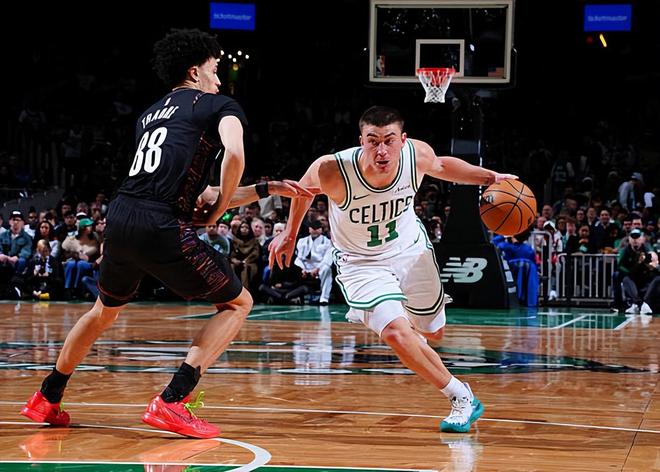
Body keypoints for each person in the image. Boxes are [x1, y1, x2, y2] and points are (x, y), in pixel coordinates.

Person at [20, 28, 313, 439]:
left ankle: (47, 396)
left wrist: (267, 188)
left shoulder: (150, 115)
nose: (219, 79)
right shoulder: (219, 105)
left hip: (121, 216)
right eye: (214, 70)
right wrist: (216, 214)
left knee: (103, 311)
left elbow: (200, 192)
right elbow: (234, 154)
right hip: (159, 223)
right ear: (195, 72)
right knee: (238, 303)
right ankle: (173, 400)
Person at [269, 106, 517, 433]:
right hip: (360, 263)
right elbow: (301, 192)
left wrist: (490, 177)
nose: (382, 150)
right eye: (373, 141)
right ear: (361, 141)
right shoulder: (333, 169)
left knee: (433, 333)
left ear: (403, 140)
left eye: (389, 140)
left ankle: (413, 336)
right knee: (396, 334)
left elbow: (443, 165)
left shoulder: (416, 155)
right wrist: (289, 234)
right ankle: (461, 396)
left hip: (409, 251)